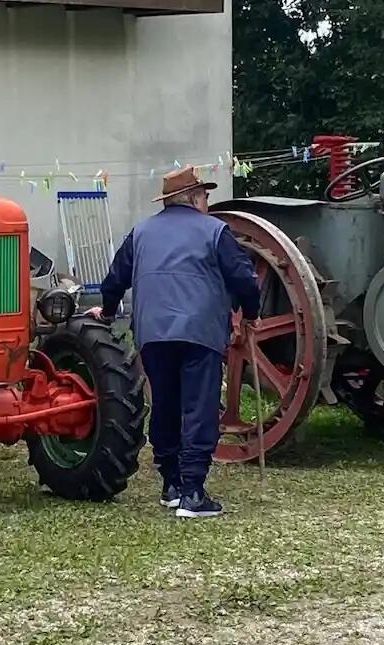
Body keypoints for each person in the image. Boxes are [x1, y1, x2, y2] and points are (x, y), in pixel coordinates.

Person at [86, 166, 261, 519]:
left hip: (152, 331)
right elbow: (244, 277)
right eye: (206, 196)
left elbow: (115, 277)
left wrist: (106, 310)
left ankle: (171, 484)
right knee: (198, 406)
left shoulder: (141, 231)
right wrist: (252, 313)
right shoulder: (215, 231)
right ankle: (193, 493)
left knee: (165, 402)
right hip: (200, 331)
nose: (207, 202)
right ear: (195, 198)